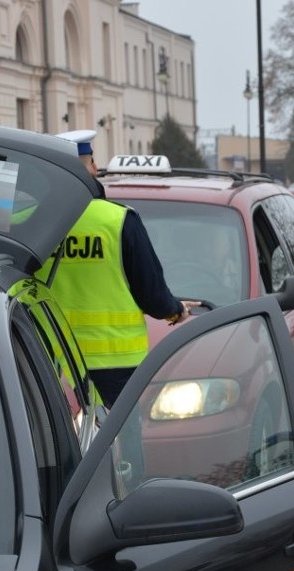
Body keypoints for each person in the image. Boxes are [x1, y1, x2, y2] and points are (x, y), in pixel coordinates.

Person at [37, 130, 199, 408]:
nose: (96, 168)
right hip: (116, 366)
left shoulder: (32, 221)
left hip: (47, 362)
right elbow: (152, 295)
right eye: (91, 162)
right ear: (87, 168)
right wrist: (175, 310)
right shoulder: (119, 221)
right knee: (123, 444)